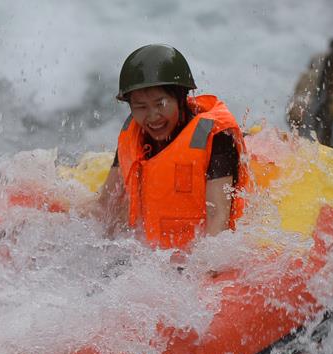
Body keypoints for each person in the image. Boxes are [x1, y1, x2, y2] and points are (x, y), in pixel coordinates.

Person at [98, 44, 248, 250]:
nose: (152, 117)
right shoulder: (134, 134)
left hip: (198, 254)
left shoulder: (215, 137)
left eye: (160, 104)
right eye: (141, 107)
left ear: (180, 97)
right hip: (154, 255)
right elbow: (106, 201)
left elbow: (218, 215)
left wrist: (207, 270)